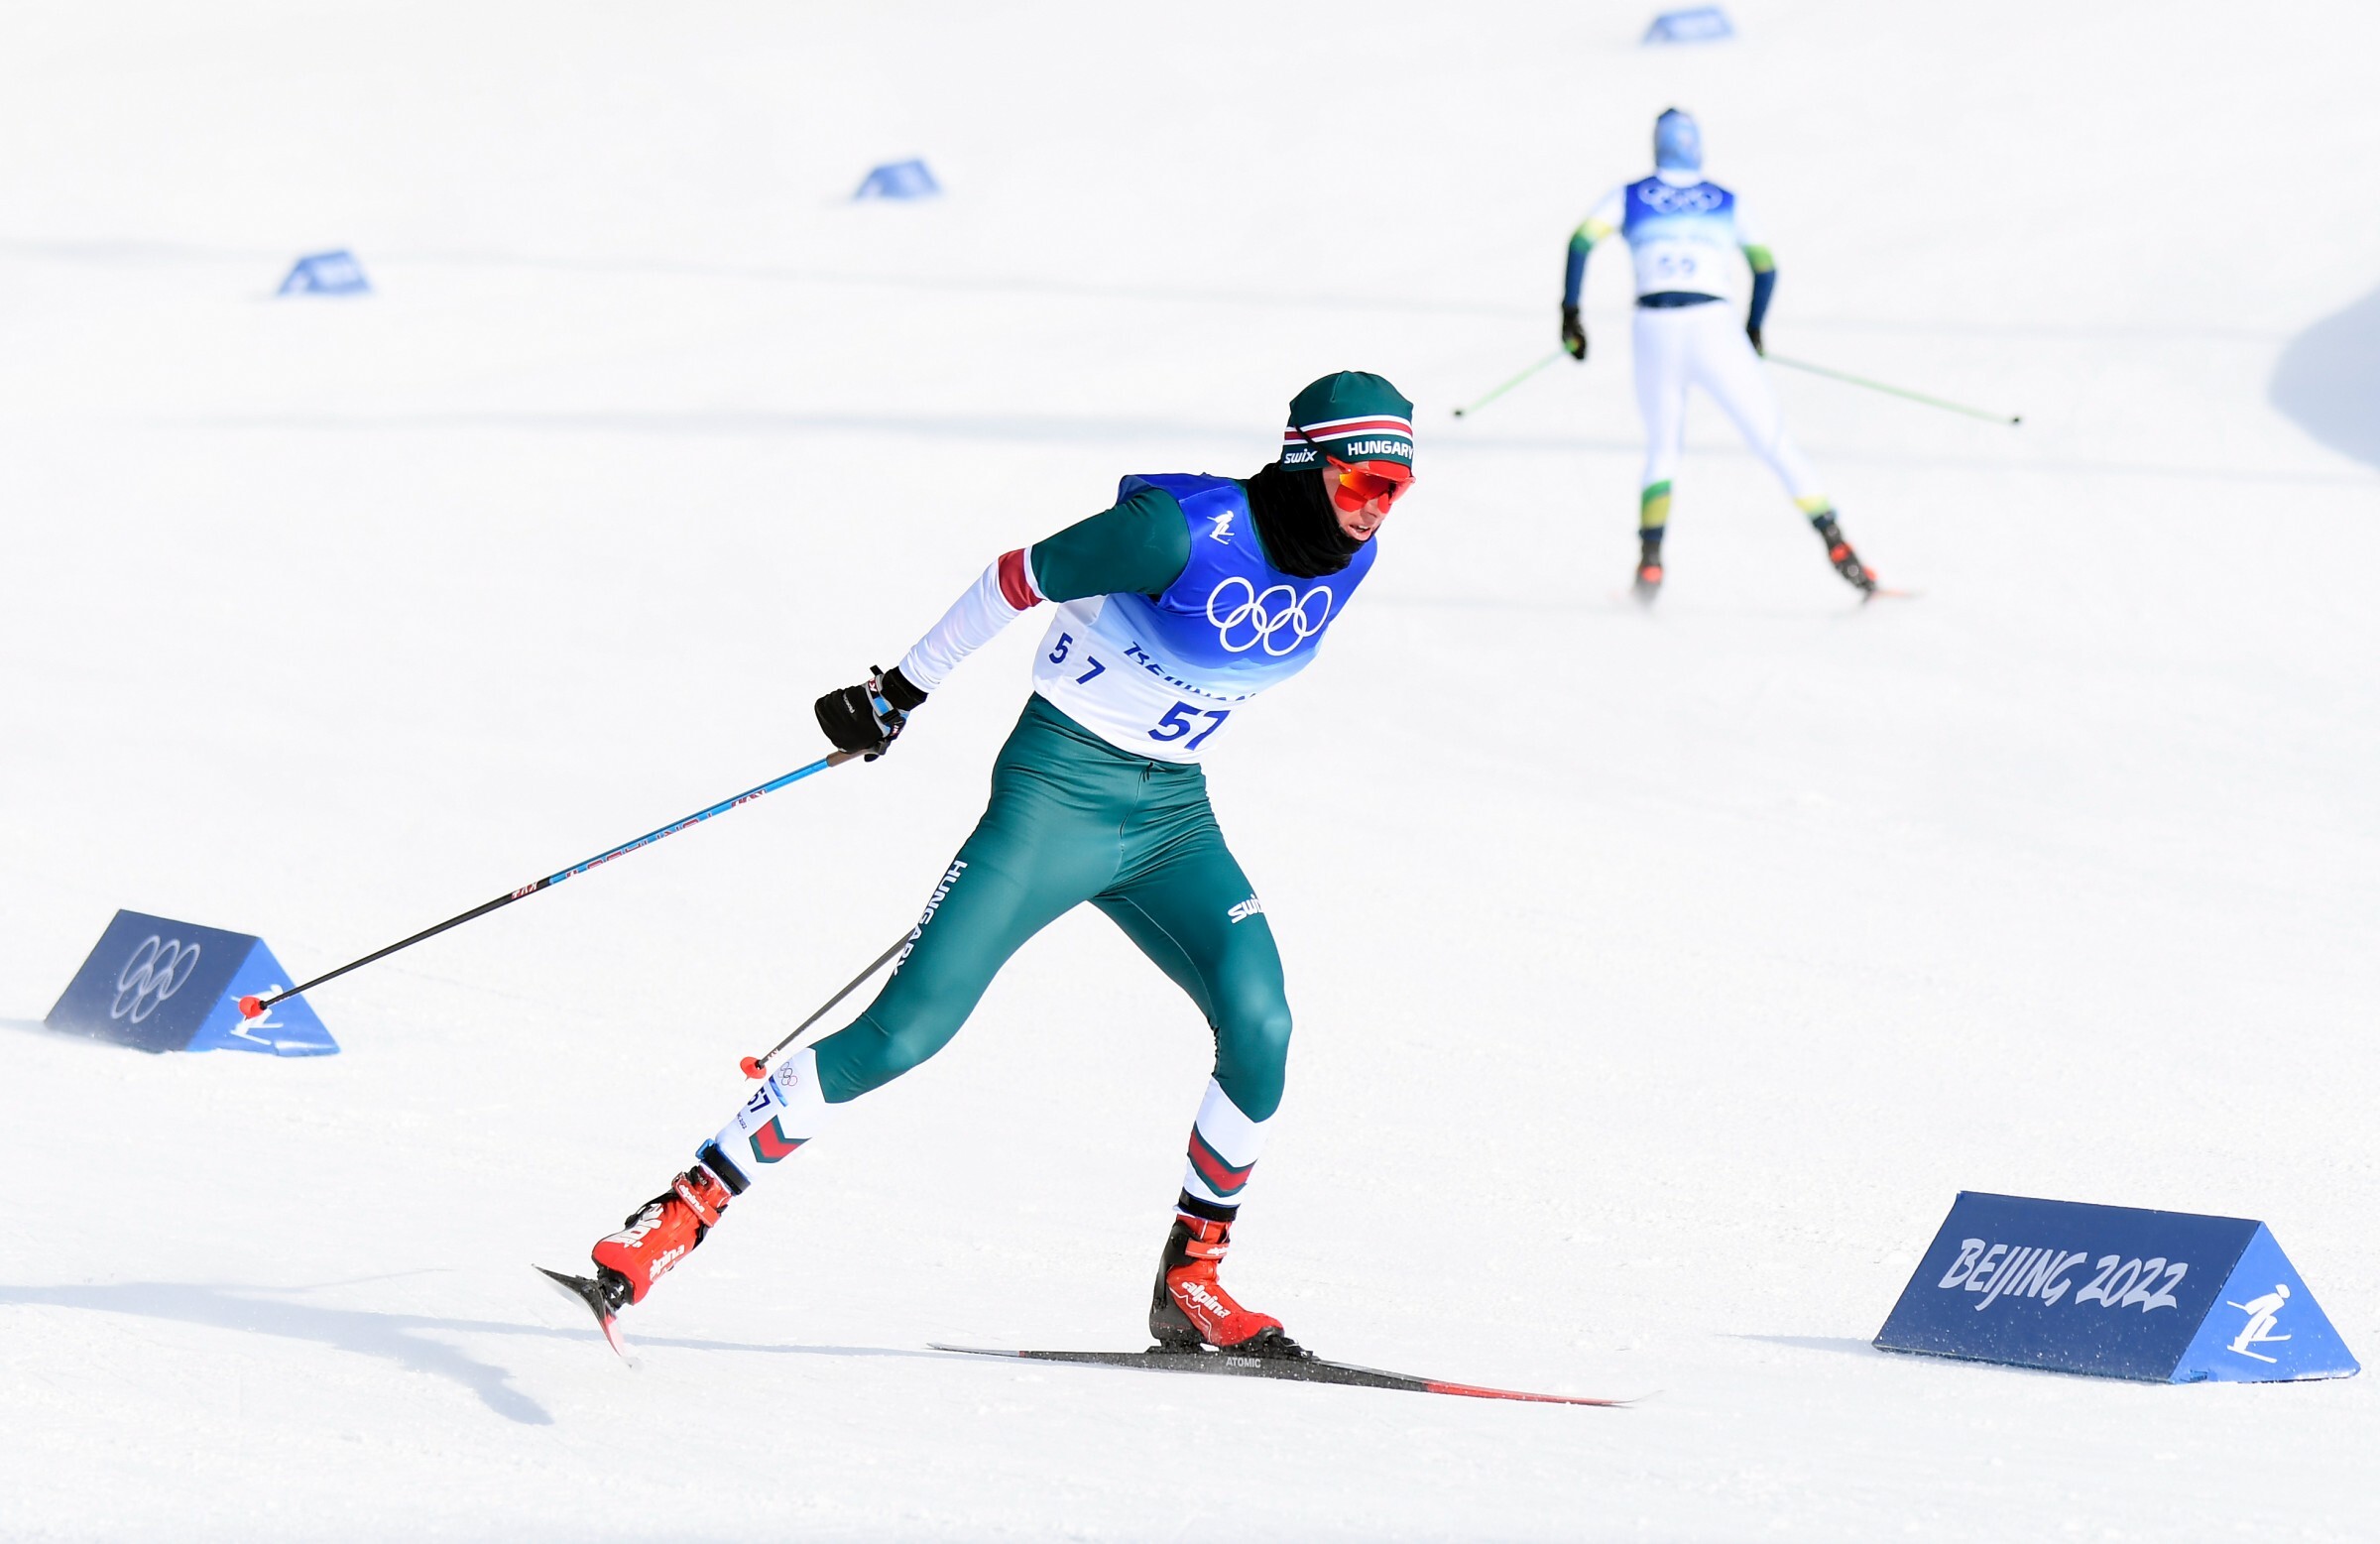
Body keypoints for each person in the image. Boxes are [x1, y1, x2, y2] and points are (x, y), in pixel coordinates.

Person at [573, 372, 1419, 1359]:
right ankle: (674, 1218)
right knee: (904, 1033)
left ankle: (1191, 1282)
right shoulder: (1175, 531)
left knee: (1262, 1023)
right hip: (1057, 794)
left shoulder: (1350, 560)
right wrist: (898, 691)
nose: (1375, 508)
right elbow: (1015, 578)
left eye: (1396, 490)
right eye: (1361, 482)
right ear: (1306, 463)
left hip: (1173, 817)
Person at [1561, 107, 1878, 602]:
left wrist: (1571, 313)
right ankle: (1841, 551)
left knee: (1663, 448)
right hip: (1714, 325)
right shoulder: (1726, 200)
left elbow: (1581, 242)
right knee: (1773, 441)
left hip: (1653, 325)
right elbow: (1766, 268)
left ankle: (1649, 567)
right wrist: (1753, 329)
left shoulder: (1631, 194)